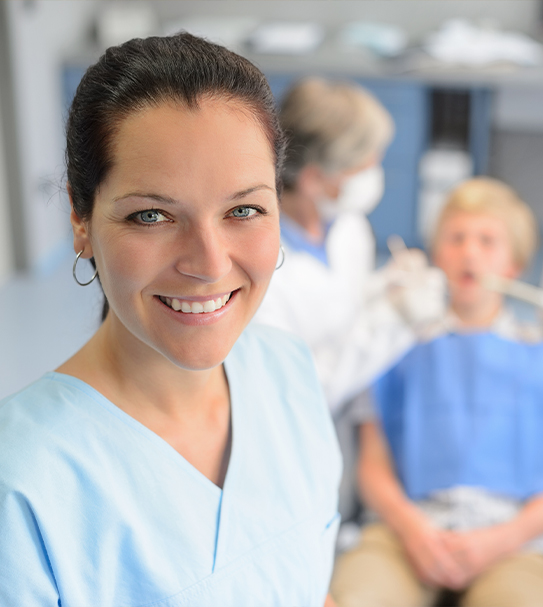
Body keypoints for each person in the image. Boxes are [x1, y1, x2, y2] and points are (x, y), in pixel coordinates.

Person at [0, 34, 341, 607]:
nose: (209, 264)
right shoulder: (23, 486)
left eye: (243, 209)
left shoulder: (288, 370)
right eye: (152, 215)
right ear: (81, 221)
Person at [331, 177, 543, 607]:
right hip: (404, 533)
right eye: (457, 238)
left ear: (514, 264)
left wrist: (502, 539)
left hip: (516, 545)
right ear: (435, 254)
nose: (470, 251)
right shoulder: (393, 347)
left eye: (487, 240)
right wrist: (413, 530)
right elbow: (373, 466)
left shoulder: (536, 352)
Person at [254, 77, 445, 525]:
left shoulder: (347, 223)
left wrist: (387, 288)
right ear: (316, 177)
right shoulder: (264, 269)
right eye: (365, 163)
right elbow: (304, 388)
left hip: (349, 423)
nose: (376, 171)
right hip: (289, 439)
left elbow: (344, 305)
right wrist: (392, 320)